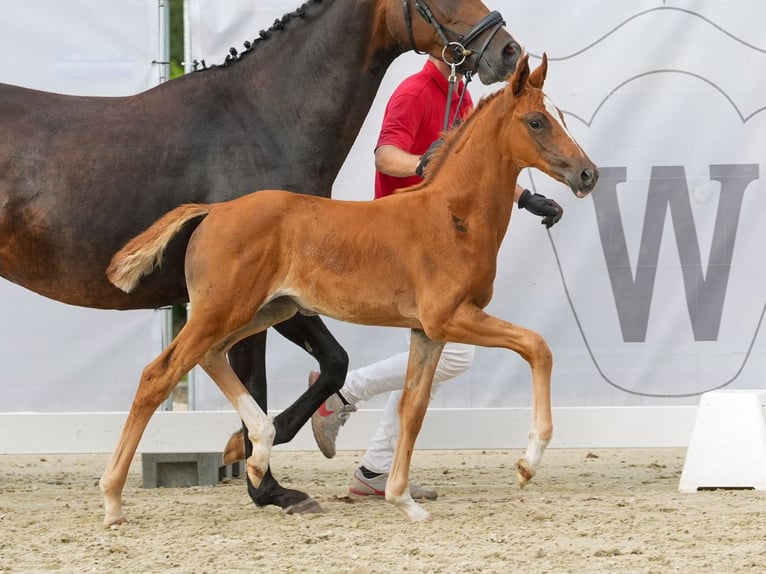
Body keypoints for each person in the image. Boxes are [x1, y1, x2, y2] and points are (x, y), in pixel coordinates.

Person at [310, 55, 563, 500]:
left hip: (444, 241)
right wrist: (422, 165)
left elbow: (477, 170)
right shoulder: (414, 92)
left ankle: (374, 467)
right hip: (405, 236)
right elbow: (385, 157)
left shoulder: (463, 96)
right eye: (461, 46)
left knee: (431, 358)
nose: (471, 56)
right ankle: (345, 396)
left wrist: (523, 199)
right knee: (451, 356)